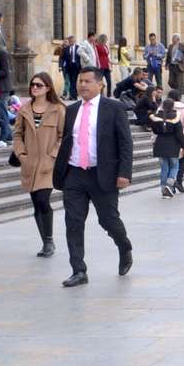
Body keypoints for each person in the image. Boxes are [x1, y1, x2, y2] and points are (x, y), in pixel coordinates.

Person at [55, 69, 134, 287]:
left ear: (100, 84)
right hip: (75, 174)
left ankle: (124, 245)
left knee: (108, 220)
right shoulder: (71, 110)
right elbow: (69, 141)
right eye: (80, 81)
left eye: (88, 81)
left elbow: (126, 143)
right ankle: (78, 270)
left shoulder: (114, 108)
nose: (82, 85)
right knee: (73, 222)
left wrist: (124, 173)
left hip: (103, 174)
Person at [12, 72, 64, 258]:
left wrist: (53, 155)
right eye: (33, 84)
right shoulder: (24, 109)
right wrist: (21, 154)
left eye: (39, 85)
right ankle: (45, 242)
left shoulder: (58, 109)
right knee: (36, 203)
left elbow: (62, 136)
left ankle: (49, 240)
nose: (34, 88)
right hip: (29, 162)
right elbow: (17, 134)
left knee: (43, 200)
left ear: (48, 88)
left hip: (48, 163)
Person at [150, 88, 184, 196]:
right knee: (175, 166)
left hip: (160, 144)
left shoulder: (158, 116)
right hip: (173, 144)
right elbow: (180, 133)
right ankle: (170, 184)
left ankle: (164, 188)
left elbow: (154, 130)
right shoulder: (176, 117)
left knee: (164, 167)